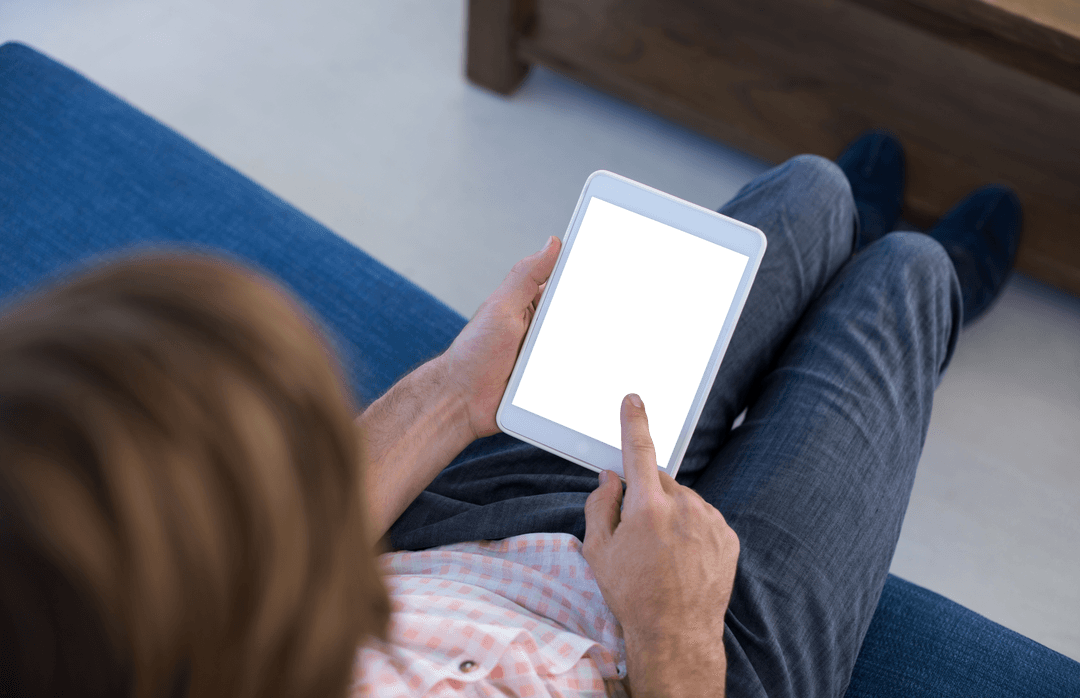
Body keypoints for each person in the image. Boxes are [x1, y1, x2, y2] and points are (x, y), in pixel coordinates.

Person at [0, 130, 1022, 698]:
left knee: (808, 193)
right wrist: (675, 641)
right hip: (677, 661)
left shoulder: (80, 593)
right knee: (909, 277)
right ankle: (913, 300)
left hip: (465, 550)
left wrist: (454, 390)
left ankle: (844, 250)